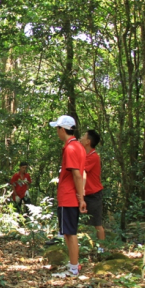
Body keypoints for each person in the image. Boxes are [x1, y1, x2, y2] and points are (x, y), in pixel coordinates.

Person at [49, 115, 87, 277]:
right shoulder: (78, 146)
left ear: (62, 129)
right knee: (68, 232)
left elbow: (77, 174)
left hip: (68, 196)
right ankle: (73, 265)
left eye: (57, 129)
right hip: (71, 196)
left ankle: (73, 269)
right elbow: (83, 173)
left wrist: (80, 197)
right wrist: (82, 194)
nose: (56, 132)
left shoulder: (71, 148)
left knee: (70, 234)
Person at [82, 130, 105, 241]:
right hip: (84, 194)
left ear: (88, 141)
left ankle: (102, 249)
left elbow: (82, 171)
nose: (80, 137)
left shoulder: (93, 157)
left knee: (97, 223)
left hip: (94, 195)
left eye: (83, 136)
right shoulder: (85, 154)